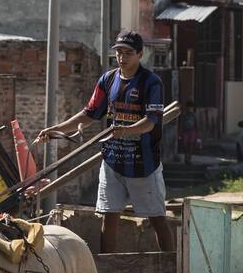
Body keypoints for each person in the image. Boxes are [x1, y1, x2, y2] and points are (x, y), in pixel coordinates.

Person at [37, 30, 173, 254]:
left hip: (143, 165)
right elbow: (88, 114)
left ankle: (171, 270)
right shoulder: (108, 80)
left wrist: (126, 130)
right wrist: (55, 129)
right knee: (109, 219)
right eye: (119, 52)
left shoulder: (151, 83)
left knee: (157, 219)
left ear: (140, 54)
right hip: (112, 162)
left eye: (128, 52)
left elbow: (151, 122)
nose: (122, 57)